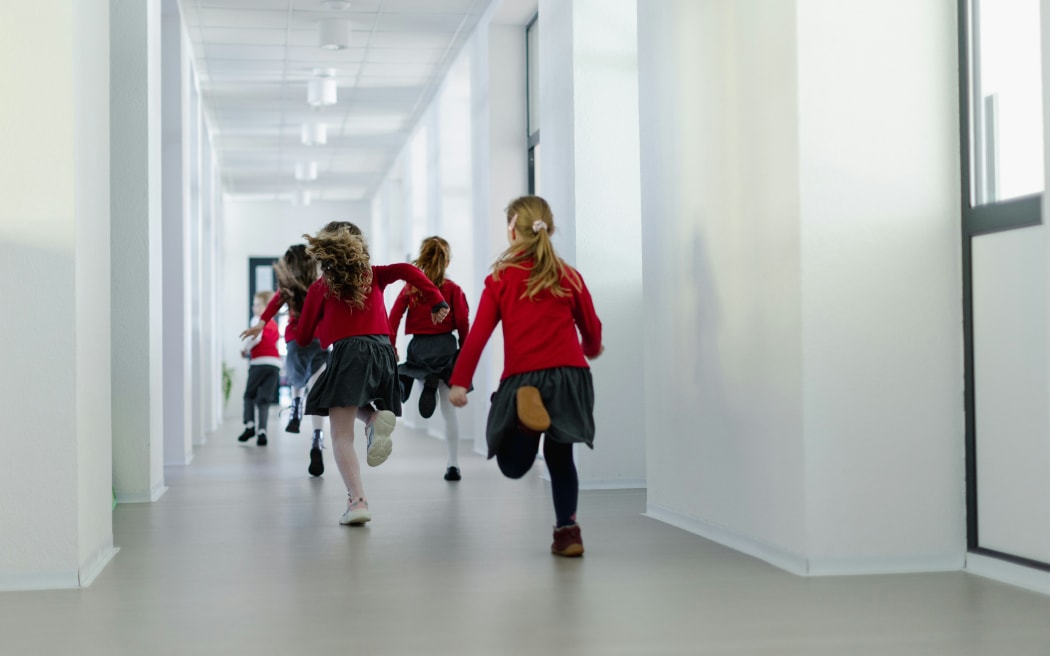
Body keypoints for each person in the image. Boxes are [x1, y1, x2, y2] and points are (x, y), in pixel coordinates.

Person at [449, 196, 603, 557]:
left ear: (512, 229)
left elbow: (478, 336)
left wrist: (460, 380)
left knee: (513, 465)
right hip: (570, 377)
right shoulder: (568, 275)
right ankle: (568, 533)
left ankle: (524, 427)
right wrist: (591, 350)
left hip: (525, 380)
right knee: (561, 459)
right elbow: (591, 330)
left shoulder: (500, 279)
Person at [297, 222, 450, 526]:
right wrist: (437, 299)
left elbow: (302, 337)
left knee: (340, 435)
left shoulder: (322, 287)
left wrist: (321, 323)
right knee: (344, 399)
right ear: (360, 247)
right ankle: (374, 418)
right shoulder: (375, 273)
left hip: (349, 353)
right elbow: (408, 270)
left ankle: (358, 502)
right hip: (383, 352)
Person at [241, 244, 330, 477]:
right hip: (320, 341)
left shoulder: (289, 287)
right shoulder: (322, 285)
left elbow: (274, 303)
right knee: (317, 389)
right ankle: (317, 439)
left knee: (296, 379)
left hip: (296, 342)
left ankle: (296, 407)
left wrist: (260, 323)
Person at [389, 236, 471, 482]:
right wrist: (465, 351)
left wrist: (392, 347)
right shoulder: (453, 289)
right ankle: (453, 465)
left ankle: (409, 378)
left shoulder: (411, 288)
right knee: (449, 412)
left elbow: (393, 317)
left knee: (413, 369)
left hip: (419, 348)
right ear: (447, 260)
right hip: (446, 347)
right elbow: (464, 322)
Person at [237, 290, 282, 447]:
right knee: (264, 400)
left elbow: (255, 338)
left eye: (257, 305)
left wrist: (245, 350)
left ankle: (250, 425)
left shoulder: (257, 320)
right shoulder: (275, 324)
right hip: (274, 365)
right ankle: (262, 431)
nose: (253, 308)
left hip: (259, 363)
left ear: (266, 307)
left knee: (249, 395)